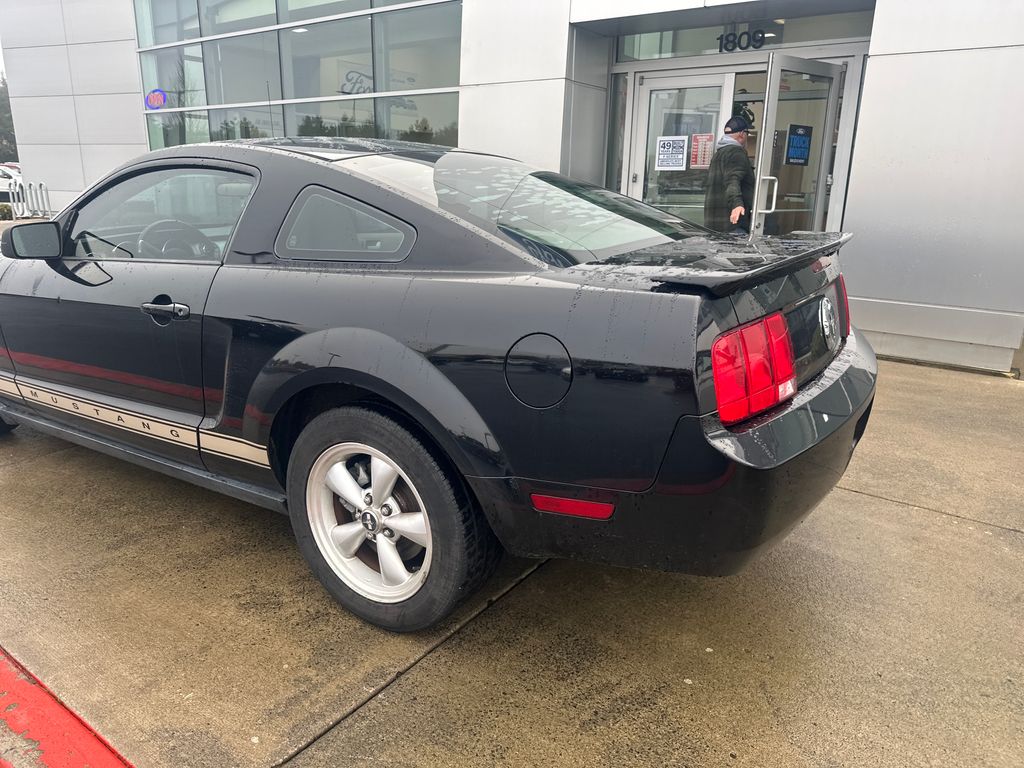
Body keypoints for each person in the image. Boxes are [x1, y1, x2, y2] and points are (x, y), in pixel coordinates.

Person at [704, 116, 756, 234]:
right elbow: (732, 180)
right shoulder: (737, 153)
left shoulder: (719, 154)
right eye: (747, 133)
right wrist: (737, 205)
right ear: (742, 134)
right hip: (733, 224)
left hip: (715, 224)